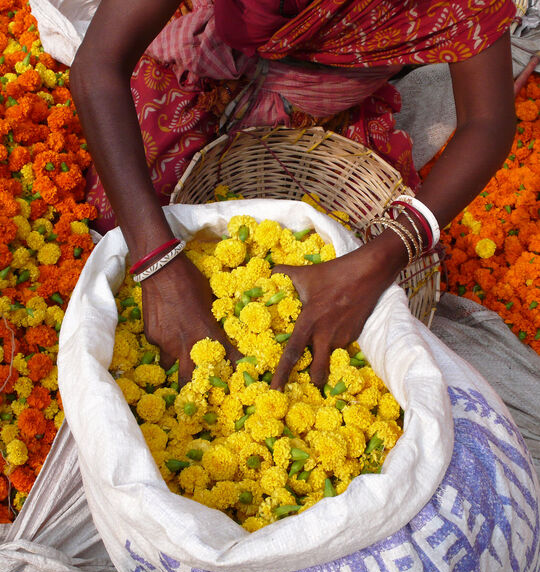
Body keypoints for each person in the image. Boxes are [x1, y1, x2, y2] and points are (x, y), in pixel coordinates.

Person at [69, 0, 516, 389]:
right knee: (116, 223)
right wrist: (158, 264)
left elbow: (488, 123)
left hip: (324, 96)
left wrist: (381, 257)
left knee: (363, 253)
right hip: (216, 53)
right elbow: (98, 65)